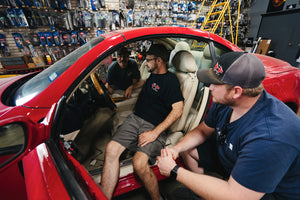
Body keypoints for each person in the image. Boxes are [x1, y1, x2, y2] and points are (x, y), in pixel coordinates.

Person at [157, 51, 300, 200]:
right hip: (234, 158)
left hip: (267, 192)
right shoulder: (227, 101)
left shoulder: (269, 137)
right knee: (188, 148)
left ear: (236, 91)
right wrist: (176, 149)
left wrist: (174, 171)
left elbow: (236, 196)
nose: (210, 87)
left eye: (216, 84)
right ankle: (203, 194)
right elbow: (203, 131)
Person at [100, 44, 184, 200]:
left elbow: (178, 110)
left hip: (153, 127)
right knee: (111, 149)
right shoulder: (153, 75)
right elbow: (146, 82)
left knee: (139, 163)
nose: (145, 63)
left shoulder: (171, 81)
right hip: (135, 119)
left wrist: (154, 133)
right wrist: (132, 86)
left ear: (158, 60)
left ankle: (157, 197)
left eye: (148, 60)